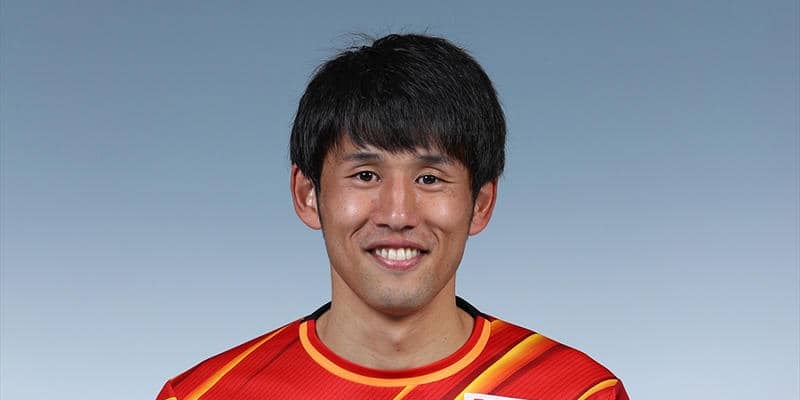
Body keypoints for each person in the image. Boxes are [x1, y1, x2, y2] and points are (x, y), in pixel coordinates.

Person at [156, 33, 628, 400]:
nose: (398, 214)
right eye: (365, 175)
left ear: (481, 203)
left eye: (430, 178)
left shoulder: (577, 392)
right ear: (307, 195)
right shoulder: (205, 394)